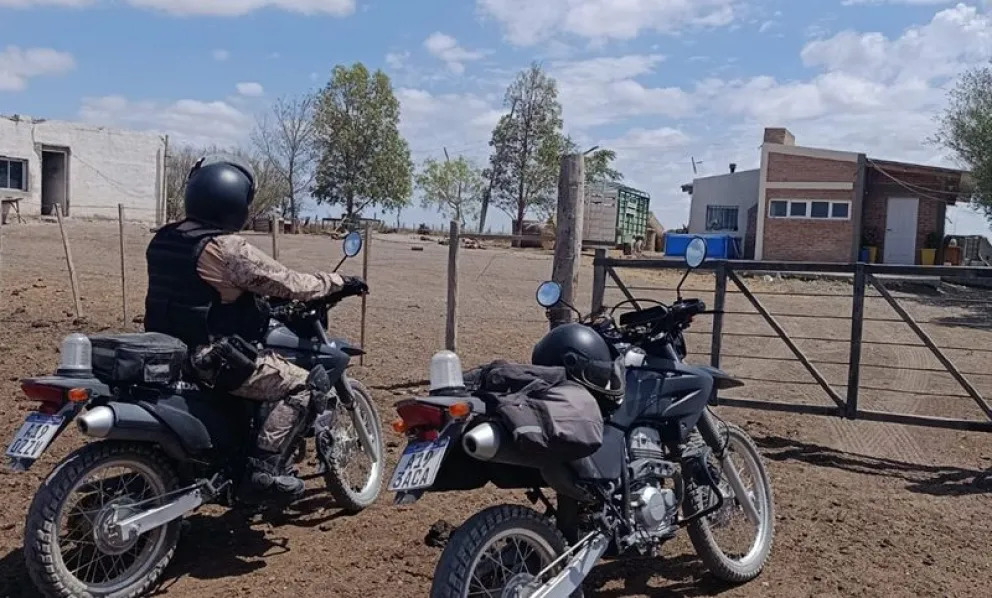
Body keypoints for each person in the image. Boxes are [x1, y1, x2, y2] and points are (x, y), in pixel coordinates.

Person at [143, 154, 368, 504]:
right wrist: (338, 280)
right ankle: (263, 471)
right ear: (235, 203)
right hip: (211, 358)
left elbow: (206, 290)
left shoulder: (165, 238)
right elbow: (289, 283)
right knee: (306, 386)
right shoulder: (227, 248)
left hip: (167, 350)